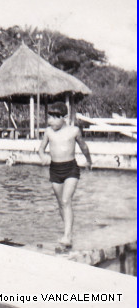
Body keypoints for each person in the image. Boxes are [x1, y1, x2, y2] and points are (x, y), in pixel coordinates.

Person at [38, 102, 92, 249]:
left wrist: (88, 161)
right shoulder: (48, 132)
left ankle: (67, 236)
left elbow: (84, 146)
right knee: (61, 203)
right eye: (50, 117)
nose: (51, 121)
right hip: (55, 169)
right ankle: (67, 232)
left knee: (66, 200)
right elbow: (41, 149)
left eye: (55, 118)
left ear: (65, 118)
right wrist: (43, 156)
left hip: (70, 169)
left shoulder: (74, 131)